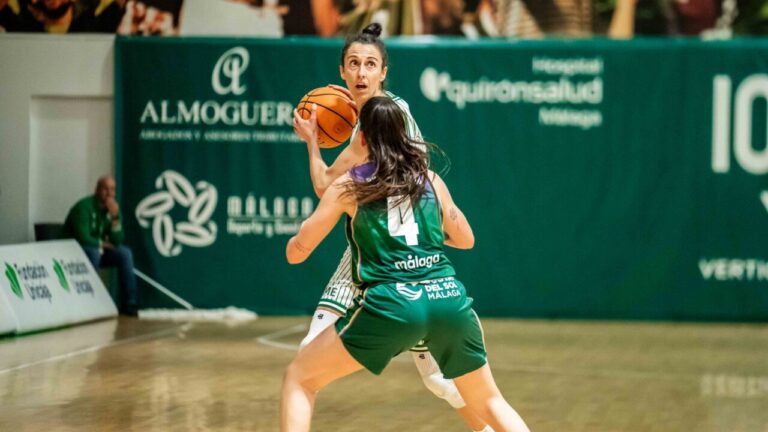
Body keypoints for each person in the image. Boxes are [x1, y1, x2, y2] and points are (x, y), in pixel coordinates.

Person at [282, 96, 530, 432]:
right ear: (403, 135)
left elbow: (298, 252)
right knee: (490, 400)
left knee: (300, 376)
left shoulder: (350, 185)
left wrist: (296, 242)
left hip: (393, 303)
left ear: (362, 138)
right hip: (448, 298)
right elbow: (466, 239)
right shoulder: (429, 179)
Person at [292, 22, 492, 432]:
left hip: (395, 249)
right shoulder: (369, 116)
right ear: (342, 72)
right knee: (307, 354)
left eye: (370, 65)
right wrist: (314, 140)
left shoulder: (382, 118)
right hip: (377, 245)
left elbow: (325, 188)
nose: (362, 73)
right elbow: (329, 186)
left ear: (383, 72)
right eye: (354, 64)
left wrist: (312, 141)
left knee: (442, 381)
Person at [61, 175, 138, 315]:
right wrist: (101, 243)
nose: (109, 193)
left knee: (124, 253)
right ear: (97, 189)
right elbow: (82, 237)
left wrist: (115, 218)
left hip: (97, 250)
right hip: (73, 250)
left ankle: (129, 304)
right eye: (105, 189)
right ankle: (91, 302)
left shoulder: (112, 209)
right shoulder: (83, 207)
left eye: (112, 189)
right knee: (94, 252)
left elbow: (117, 240)